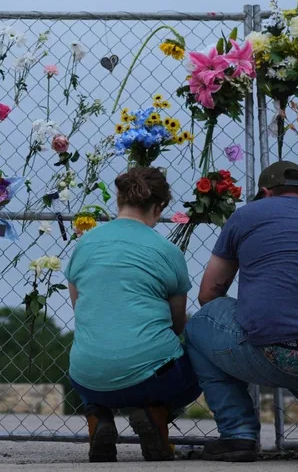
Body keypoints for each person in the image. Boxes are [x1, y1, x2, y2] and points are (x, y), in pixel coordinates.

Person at [185, 161, 298, 464]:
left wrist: (248, 314)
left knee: (200, 323)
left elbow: (209, 294)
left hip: (271, 353)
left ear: (266, 193)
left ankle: (237, 433)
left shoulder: (246, 216)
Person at [65, 167, 201, 462]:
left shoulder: (83, 245)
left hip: (88, 377)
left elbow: (81, 309)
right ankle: (155, 412)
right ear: (159, 206)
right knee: (200, 361)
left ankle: (97, 416)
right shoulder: (168, 252)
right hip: (151, 379)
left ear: (119, 200)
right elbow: (178, 324)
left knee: (95, 346)